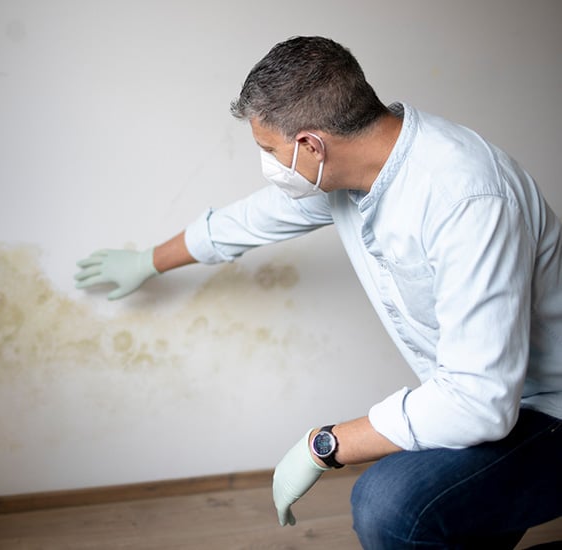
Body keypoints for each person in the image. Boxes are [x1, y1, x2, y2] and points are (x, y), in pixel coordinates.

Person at [74, 36, 562, 548]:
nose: (267, 163)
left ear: (311, 145)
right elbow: (248, 221)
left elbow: (477, 403)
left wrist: (322, 446)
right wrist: (147, 262)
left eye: (268, 150)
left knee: (390, 503)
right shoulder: (349, 175)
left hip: (546, 411)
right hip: (487, 403)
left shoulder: (463, 197)